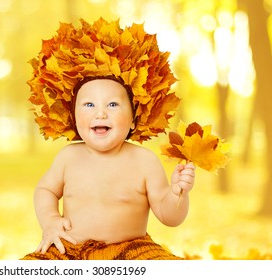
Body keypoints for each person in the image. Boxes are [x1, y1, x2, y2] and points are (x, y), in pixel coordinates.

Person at [21, 18, 196, 260]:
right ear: (73, 117)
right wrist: (50, 221)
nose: (100, 112)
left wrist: (177, 194)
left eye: (113, 104)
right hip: (69, 249)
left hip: (132, 250)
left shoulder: (144, 161)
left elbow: (170, 218)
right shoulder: (68, 157)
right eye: (89, 104)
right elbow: (45, 190)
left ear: (134, 119)